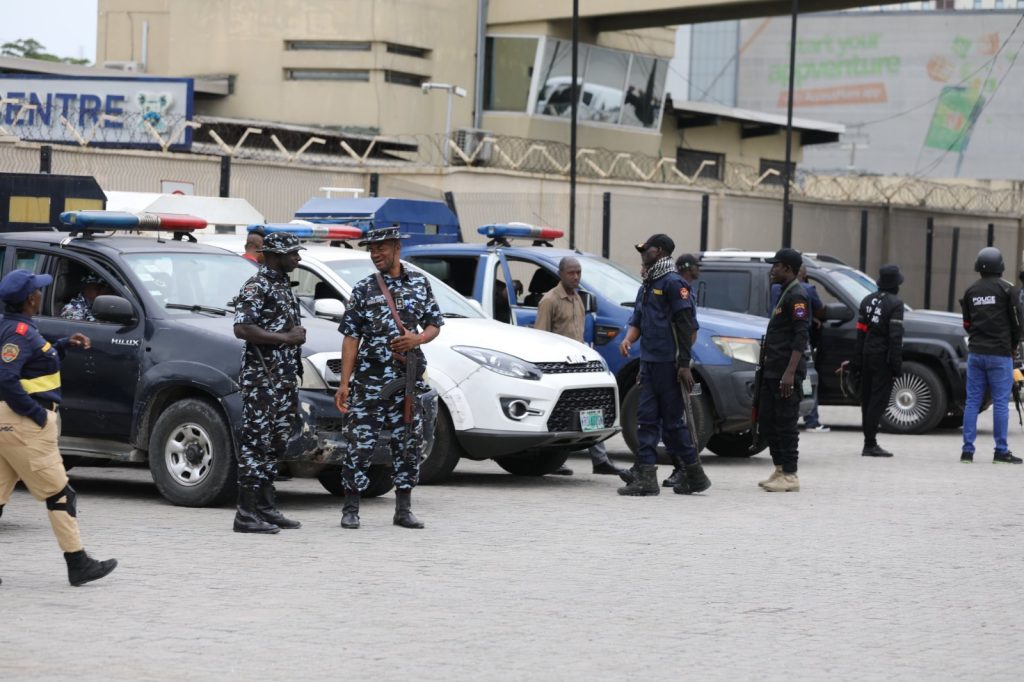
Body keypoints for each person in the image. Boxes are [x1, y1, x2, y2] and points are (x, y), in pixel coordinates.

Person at [0, 269, 117, 586]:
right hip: (23, 424)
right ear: (30, 299)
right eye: (37, 290)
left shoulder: (13, 327)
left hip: (7, 425)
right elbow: (8, 377)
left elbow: (33, 364)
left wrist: (63, 345)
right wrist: (35, 415)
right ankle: (78, 563)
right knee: (60, 493)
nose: (40, 294)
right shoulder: (20, 333)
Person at [335, 225, 443, 529]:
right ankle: (351, 507)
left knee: (408, 442)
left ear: (396, 246)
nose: (375, 254)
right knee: (360, 442)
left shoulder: (420, 284)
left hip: (406, 380)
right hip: (370, 380)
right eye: (371, 250)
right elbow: (350, 337)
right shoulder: (364, 288)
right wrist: (344, 383)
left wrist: (417, 340)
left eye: (380, 248)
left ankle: (403, 508)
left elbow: (434, 323)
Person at [617, 234, 711, 497]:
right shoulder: (647, 284)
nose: (642, 252)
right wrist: (628, 340)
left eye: (646, 249)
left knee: (672, 423)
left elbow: (687, 326)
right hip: (649, 363)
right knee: (646, 419)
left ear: (659, 252)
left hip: (669, 365)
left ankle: (693, 473)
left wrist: (683, 364)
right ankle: (647, 475)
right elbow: (637, 319)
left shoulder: (673, 284)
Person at [232, 231, 307, 533]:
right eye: (292, 254)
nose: (297, 258)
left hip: (283, 379)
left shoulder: (283, 285)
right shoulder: (256, 285)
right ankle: (245, 514)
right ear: (275, 255)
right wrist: (285, 338)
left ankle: (265, 507)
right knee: (256, 444)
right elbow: (241, 328)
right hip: (262, 378)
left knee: (276, 443)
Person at [534, 256, 626, 477]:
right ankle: (554, 461)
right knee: (562, 415)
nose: (576, 277)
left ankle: (600, 460)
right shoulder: (550, 301)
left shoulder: (578, 299)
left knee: (590, 411)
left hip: (579, 366)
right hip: (559, 368)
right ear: (561, 274)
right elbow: (539, 338)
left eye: (578, 273)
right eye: (571, 273)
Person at [960, 247, 1022, 464]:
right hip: (1000, 354)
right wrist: (1013, 346)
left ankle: (967, 452)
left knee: (972, 401)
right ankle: (1001, 451)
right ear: (1001, 266)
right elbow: (1018, 323)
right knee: (1000, 403)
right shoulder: (1008, 290)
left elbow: (967, 324)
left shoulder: (970, 291)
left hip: (976, 354)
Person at [756, 248, 810, 493]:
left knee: (786, 423)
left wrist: (789, 373)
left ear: (787, 268)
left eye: (775, 265)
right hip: (771, 370)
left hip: (785, 373)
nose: (771, 269)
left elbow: (800, 337)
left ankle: (790, 475)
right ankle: (779, 469)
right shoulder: (783, 293)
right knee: (768, 422)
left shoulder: (798, 295)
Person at [847, 265, 905, 457]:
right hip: (883, 359)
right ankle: (870, 444)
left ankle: (868, 441)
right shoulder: (896, 304)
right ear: (895, 284)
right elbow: (895, 338)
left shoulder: (867, 301)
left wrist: (855, 362)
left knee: (867, 399)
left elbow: (860, 334)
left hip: (866, 356)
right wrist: (897, 367)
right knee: (878, 403)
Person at [771, 265, 829, 432]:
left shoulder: (776, 289)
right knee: (807, 379)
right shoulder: (807, 290)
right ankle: (811, 419)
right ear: (802, 275)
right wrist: (815, 317)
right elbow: (820, 310)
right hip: (800, 343)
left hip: (777, 344)